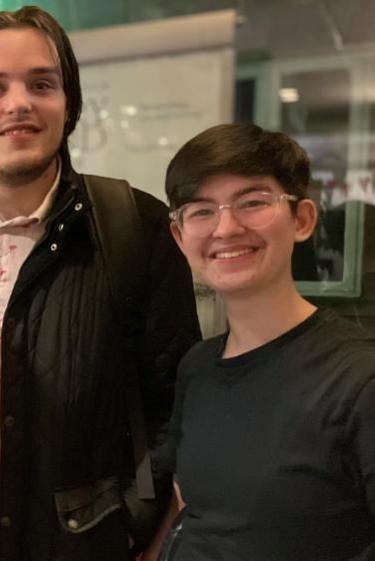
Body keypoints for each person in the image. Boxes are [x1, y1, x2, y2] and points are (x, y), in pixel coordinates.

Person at [0, 6, 201, 561]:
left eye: (41, 83)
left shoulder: (133, 227)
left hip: (78, 544)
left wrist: (135, 525)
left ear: (69, 103)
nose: (18, 103)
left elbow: (176, 400)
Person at [154, 123, 375, 560]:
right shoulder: (198, 366)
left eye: (252, 202)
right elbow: (198, 511)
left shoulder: (359, 378)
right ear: (180, 236)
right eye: (201, 210)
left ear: (303, 219)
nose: (227, 227)